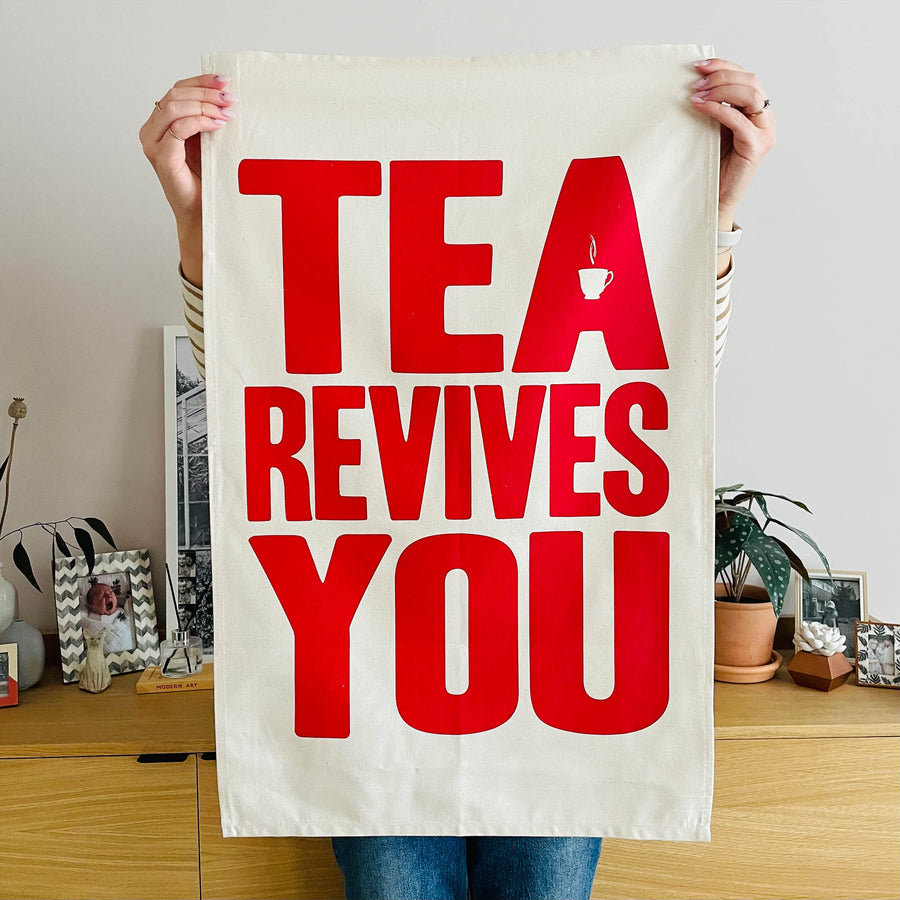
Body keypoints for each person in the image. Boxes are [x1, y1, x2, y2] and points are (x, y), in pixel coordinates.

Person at [141, 55, 775, 900]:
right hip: (380, 688)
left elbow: (664, 384)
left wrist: (708, 213)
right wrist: (201, 228)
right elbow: (262, 385)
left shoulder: (569, 311)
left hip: (549, 680)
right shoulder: (372, 317)